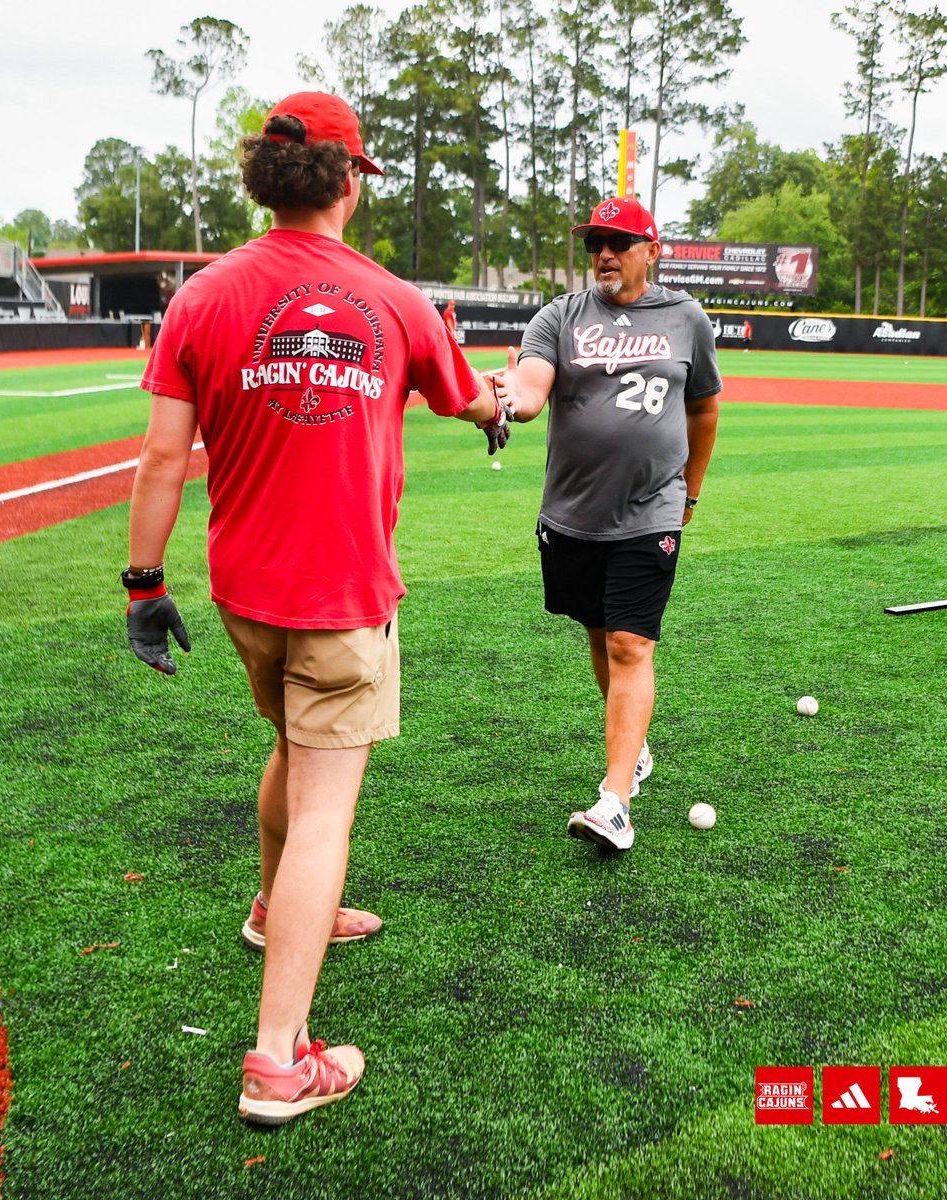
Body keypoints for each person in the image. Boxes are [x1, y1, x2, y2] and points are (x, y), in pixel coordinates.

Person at [122, 91, 511, 1126]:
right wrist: (498, 410)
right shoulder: (394, 299)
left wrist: (142, 584)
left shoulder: (204, 297)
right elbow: (472, 399)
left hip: (245, 594)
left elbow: (163, 455)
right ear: (350, 180)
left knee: (293, 750)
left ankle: (276, 908)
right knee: (329, 805)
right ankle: (278, 1063)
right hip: (341, 599)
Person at [493, 196, 720, 853]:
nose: (604, 253)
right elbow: (533, 392)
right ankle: (635, 748)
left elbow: (703, 411)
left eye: (620, 241)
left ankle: (615, 800)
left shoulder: (686, 319)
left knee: (630, 644)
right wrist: (510, 394)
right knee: (600, 634)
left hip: (652, 509)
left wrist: (691, 496)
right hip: (572, 515)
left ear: (653, 249)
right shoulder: (559, 317)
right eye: (596, 241)